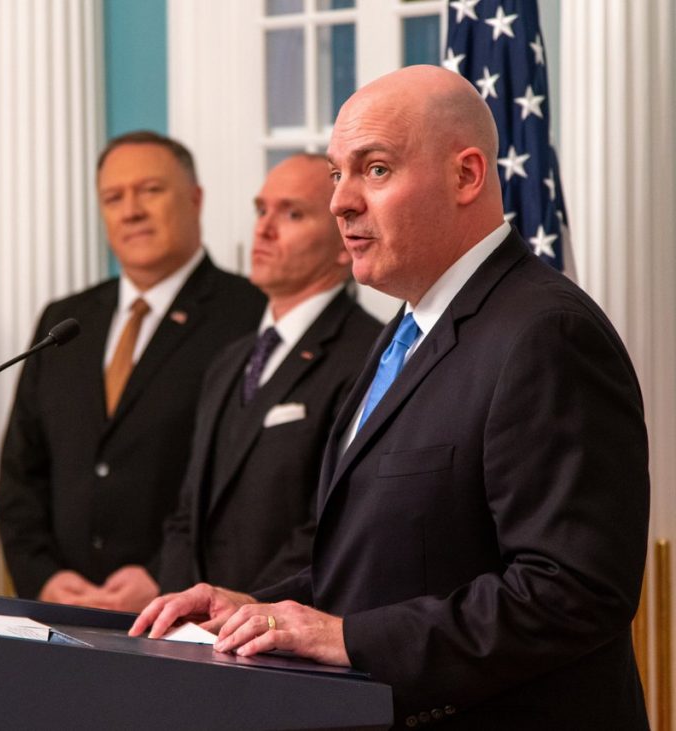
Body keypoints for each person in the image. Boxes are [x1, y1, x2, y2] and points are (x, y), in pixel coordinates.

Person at [132, 65, 649, 728]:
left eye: (375, 170)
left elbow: (572, 592)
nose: (341, 202)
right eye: (336, 175)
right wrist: (257, 608)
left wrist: (348, 639)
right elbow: (377, 560)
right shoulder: (405, 331)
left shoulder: (546, 334)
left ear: (466, 176)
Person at [0, 131, 265, 612]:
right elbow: (22, 474)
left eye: (150, 191)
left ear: (196, 199)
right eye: (113, 198)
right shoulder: (65, 321)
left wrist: (166, 577)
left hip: (187, 612)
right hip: (63, 610)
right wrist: (44, 578)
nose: (131, 211)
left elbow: (251, 489)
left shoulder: (251, 314)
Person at [156, 154, 381, 595]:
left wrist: (246, 610)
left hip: (283, 624)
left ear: (345, 240)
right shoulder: (229, 360)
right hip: (200, 627)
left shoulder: (370, 357)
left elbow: (335, 525)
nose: (264, 229)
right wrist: (184, 608)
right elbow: (187, 513)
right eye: (262, 210)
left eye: (292, 214)